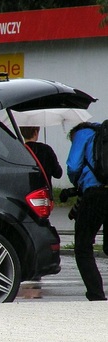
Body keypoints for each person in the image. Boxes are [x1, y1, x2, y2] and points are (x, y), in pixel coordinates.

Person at [66, 122, 108, 301]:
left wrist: (77, 184)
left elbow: (73, 166)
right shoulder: (103, 133)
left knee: (83, 247)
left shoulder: (82, 134)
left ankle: (96, 295)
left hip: (95, 195)